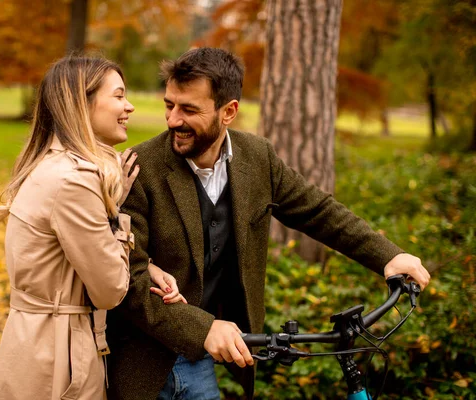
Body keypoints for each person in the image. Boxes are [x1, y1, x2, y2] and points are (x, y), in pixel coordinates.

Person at [106, 47, 431, 400]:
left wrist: (387, 256)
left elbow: (318, 211)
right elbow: (129, 278)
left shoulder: (257, 157)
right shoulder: (140, 168)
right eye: (170, 105)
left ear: (228, 111)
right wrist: (204, 328)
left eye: (189, 110)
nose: (172, 120)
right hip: (144, 359)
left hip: (199, 361)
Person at [0, 55, 184, 400]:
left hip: (38, 345)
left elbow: (71, 258)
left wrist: (146, 264)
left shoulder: (56, 165)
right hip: (58, 361)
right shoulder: (75, 182)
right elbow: (110, 290)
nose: (130, 106)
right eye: (119, 95)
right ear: (83, 103)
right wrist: (116, 217)